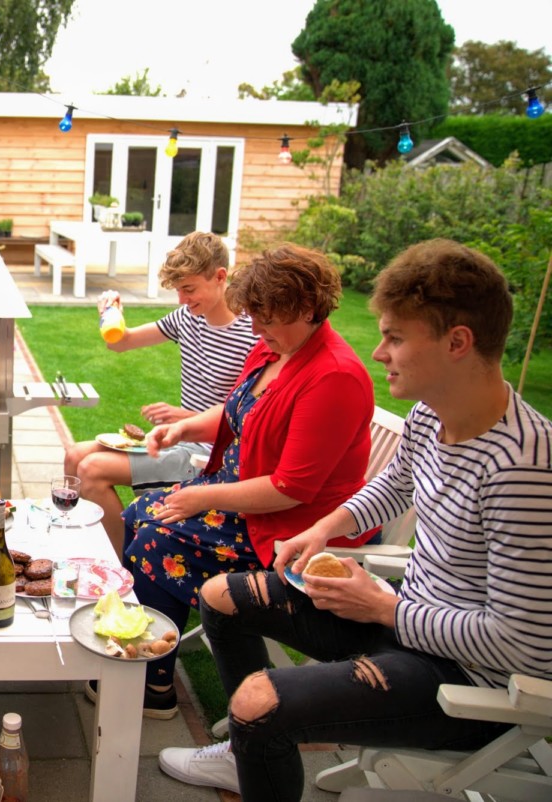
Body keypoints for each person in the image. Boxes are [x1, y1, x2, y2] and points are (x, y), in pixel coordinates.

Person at [156, 239, 552, 801]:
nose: (379, 352)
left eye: (395, 337)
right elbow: (392, 487)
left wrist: (386, 607)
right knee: (222, 597)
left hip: (470, 683)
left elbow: (520, 643)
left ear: (457, 342)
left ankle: (256, 738)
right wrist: (323, 529)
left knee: (257, 704)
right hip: (408, 621)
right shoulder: (429, 416)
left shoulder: (525, 468)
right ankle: (244, 756)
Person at [103, 244, 379, 719]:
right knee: (136, 515)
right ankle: (148, 653)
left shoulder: (334, 376)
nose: (256, 328)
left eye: (267, 318)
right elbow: (239, 412)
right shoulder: (275, 347)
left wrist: (201, 497)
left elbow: (292, 488)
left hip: (284, 528)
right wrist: (187, 427)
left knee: (155, 539)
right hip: (238, 499)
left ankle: (154, 683)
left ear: (308, 308)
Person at [63, 232, 257, 555]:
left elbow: (247, 414)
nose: (181, 299)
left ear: (220, 277)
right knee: (74, 455)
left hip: (209, 456)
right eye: (178, 290)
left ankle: (122, 568)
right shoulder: (187, 318)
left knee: (91, 471)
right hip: (175, 437)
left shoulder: (252, 333)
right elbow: (120, 342)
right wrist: (109, 314)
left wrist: (186, 419)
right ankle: (78, 545)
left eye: (189, 289)